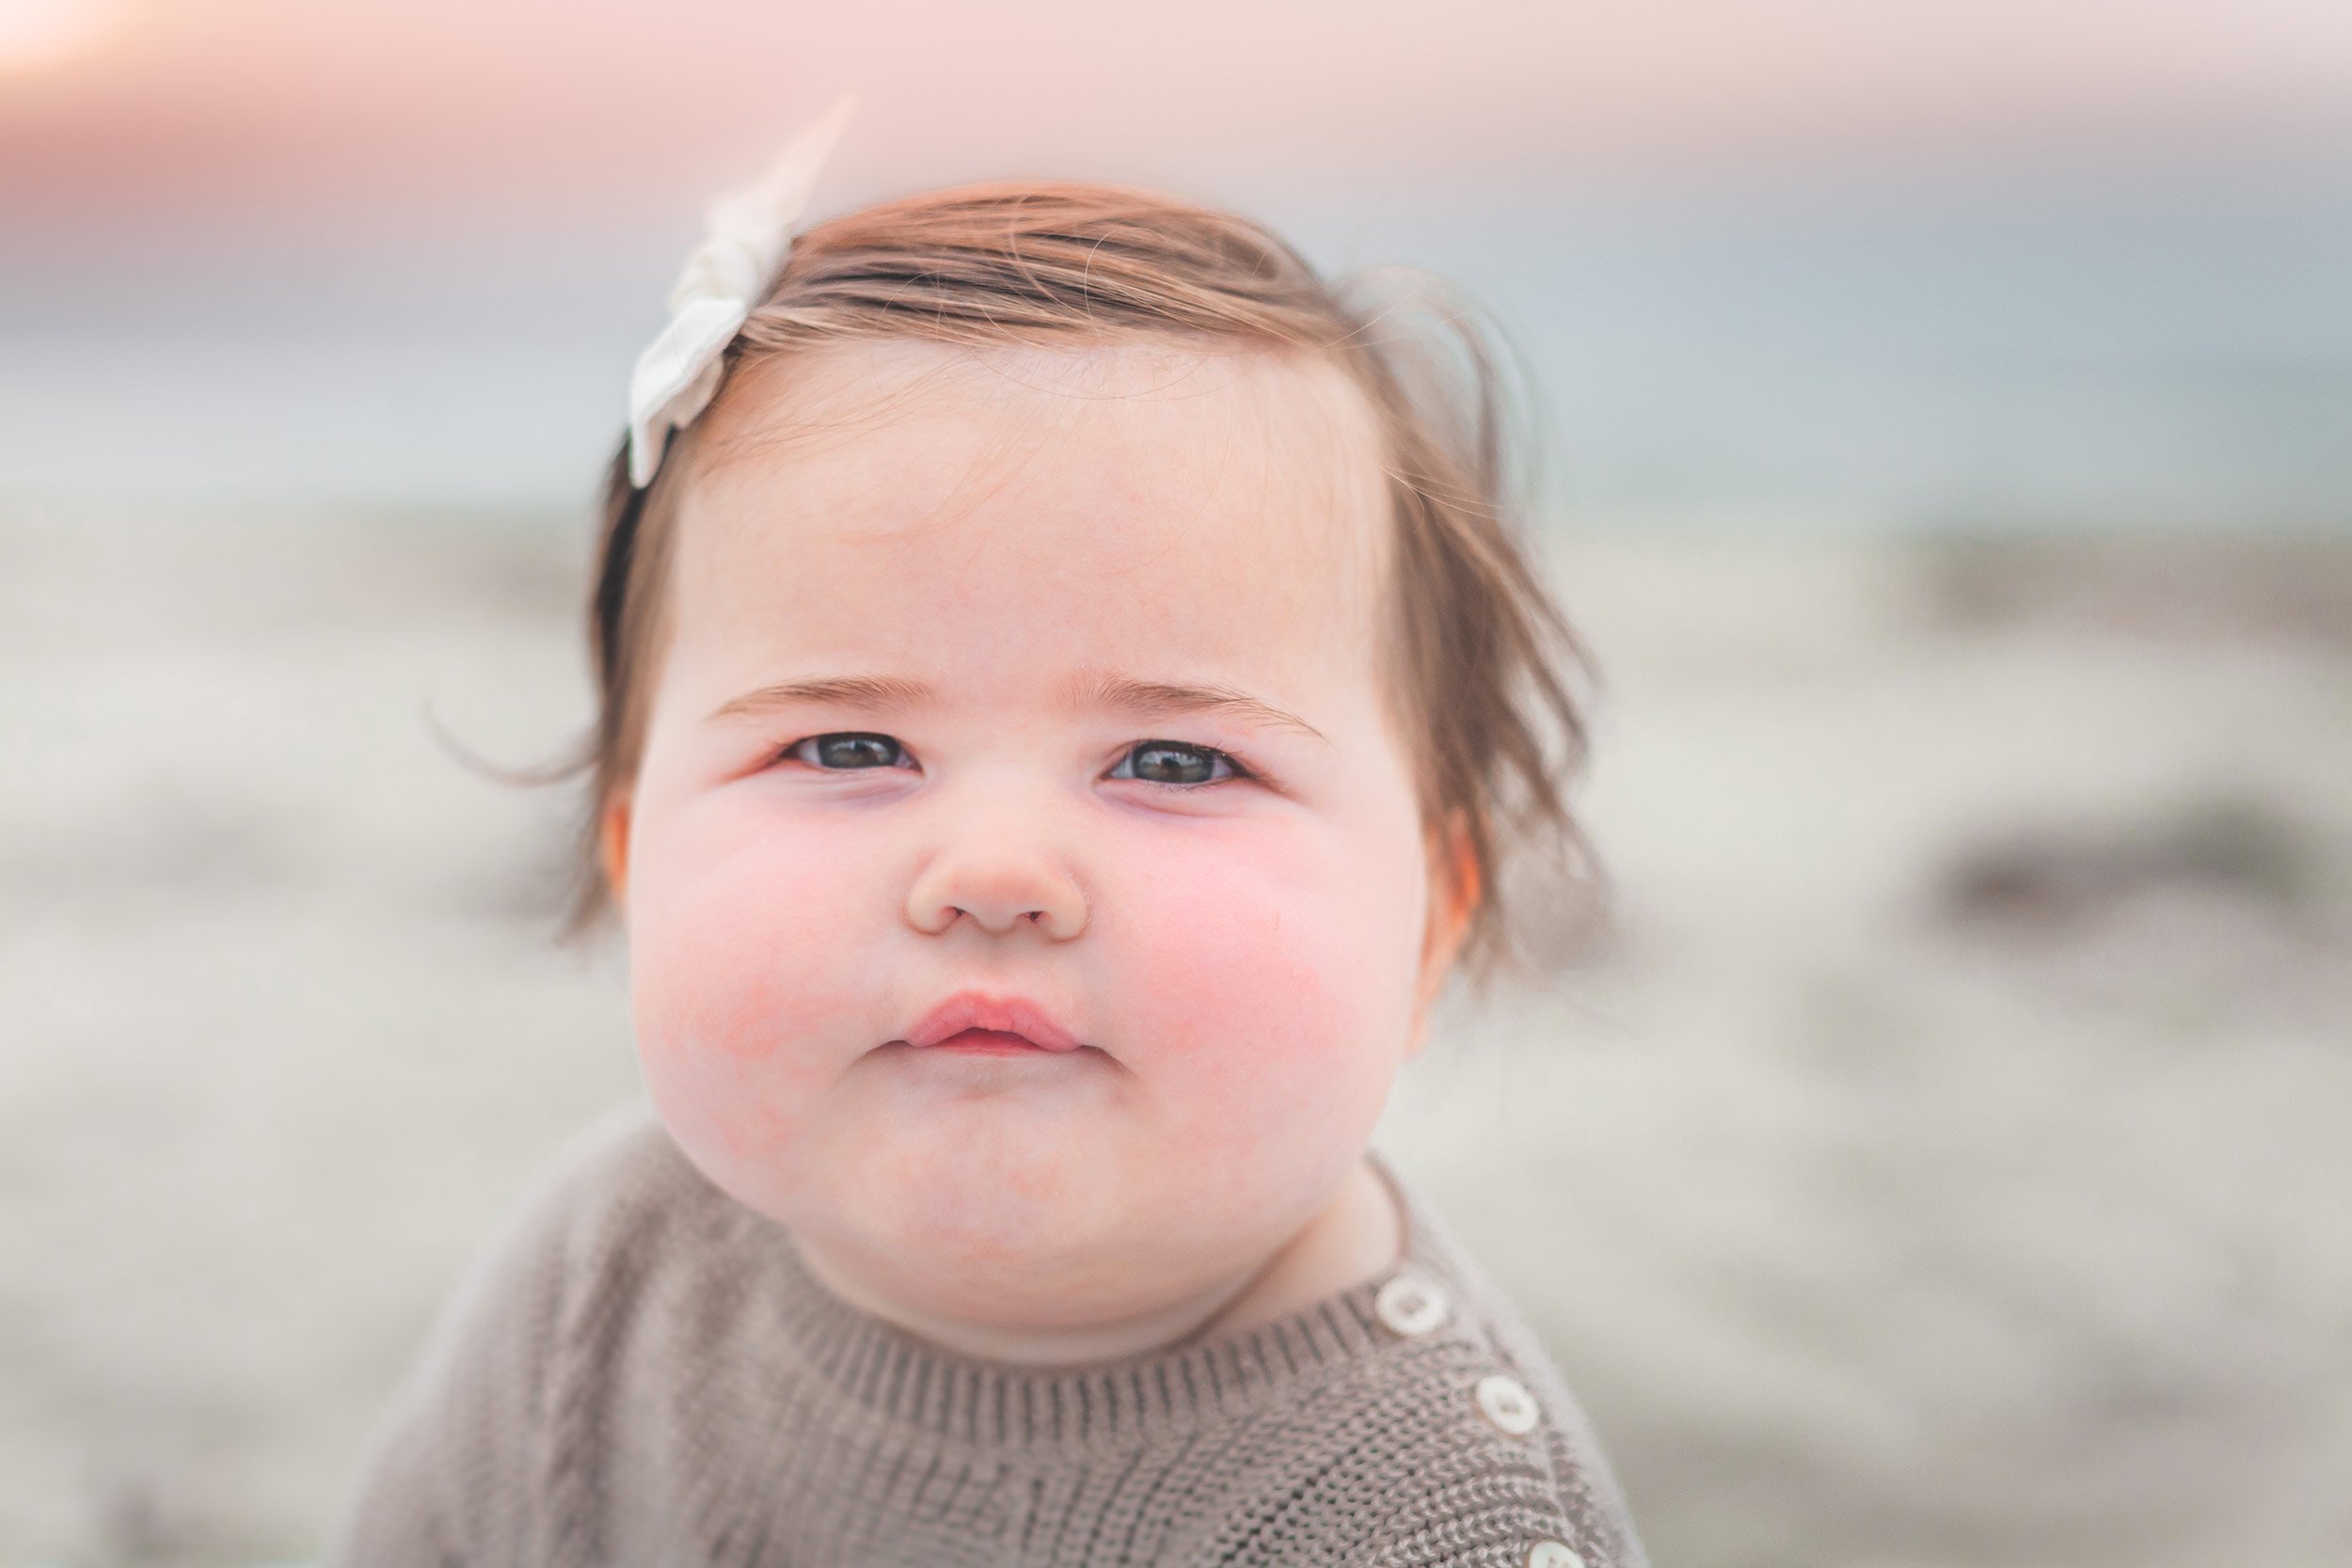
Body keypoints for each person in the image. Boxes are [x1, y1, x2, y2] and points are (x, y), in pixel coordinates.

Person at [324, 104, 1647, 1568]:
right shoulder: (604, 1270)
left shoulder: (1427, 1528)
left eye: (1174, 758)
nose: (996, 874)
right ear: (636, 866)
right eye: (845, 746)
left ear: (1432, 926)